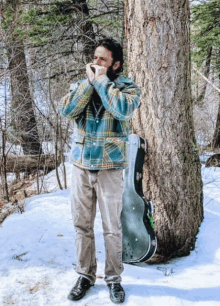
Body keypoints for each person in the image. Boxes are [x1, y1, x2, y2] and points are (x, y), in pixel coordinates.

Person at [59, 38, 141, 304]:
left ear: (115, 64)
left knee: (112, 228)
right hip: (81, 166)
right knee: (81, 225)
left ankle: (114, 279)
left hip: (110, 168)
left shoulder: (126, 88)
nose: (96, 63)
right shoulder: (81, 85)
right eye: (95, 57)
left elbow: (122, 110)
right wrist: (89, 84)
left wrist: (102, 82)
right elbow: (67, 109)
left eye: (103, 59)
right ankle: (85, 276)